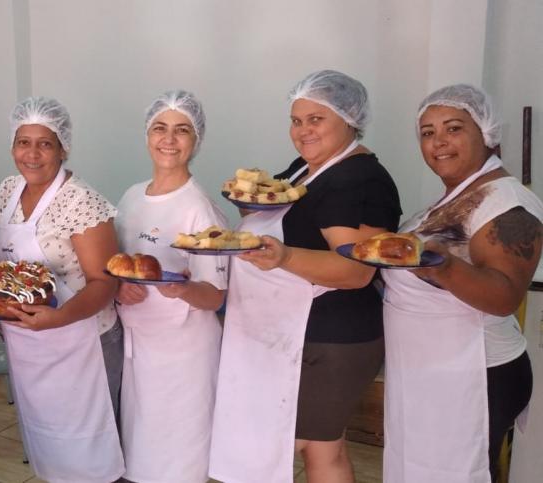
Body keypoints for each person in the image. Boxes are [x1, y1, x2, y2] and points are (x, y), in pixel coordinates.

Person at [208, 70, 402, 483]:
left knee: (269, 452)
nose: (303, 131)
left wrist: (284, 256)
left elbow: (355, 272)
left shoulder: (358, 178)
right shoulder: (307, 169)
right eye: (297, 120)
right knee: (324, 450)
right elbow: (278, 209)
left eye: (317, 119)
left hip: (328, 340)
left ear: (349, 119)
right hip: (295, 334)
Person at [381, 84, 541, 483]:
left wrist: (445, 268)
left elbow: (505, 295)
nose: (439, 143)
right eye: (427, 132)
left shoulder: (508, 203)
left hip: (476, 374)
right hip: (430, 373)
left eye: (453, 128)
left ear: (484, 133)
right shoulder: (453, 198)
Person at [0, 97, 124, 482]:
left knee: (88, 451)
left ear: (62, 147)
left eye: (44, 143)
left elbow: (105, 282)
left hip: (84, 342)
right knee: (48, 445)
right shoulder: (6, 192)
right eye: (23, 142)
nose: (31, 154)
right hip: (29, 342)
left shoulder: (81, 201)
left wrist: (59, 316)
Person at [114, 90, 228, 483]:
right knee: (140, 455)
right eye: (160, 128)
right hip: (137, 348)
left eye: (182, 131)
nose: (169, 139)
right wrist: (118, 289)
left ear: (195, 141)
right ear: (147, 135)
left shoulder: (200, 208)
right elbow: (118, 267)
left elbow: (214, 296)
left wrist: (181, 289)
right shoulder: (130, 198)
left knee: (179, 462)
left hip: (185, 357)